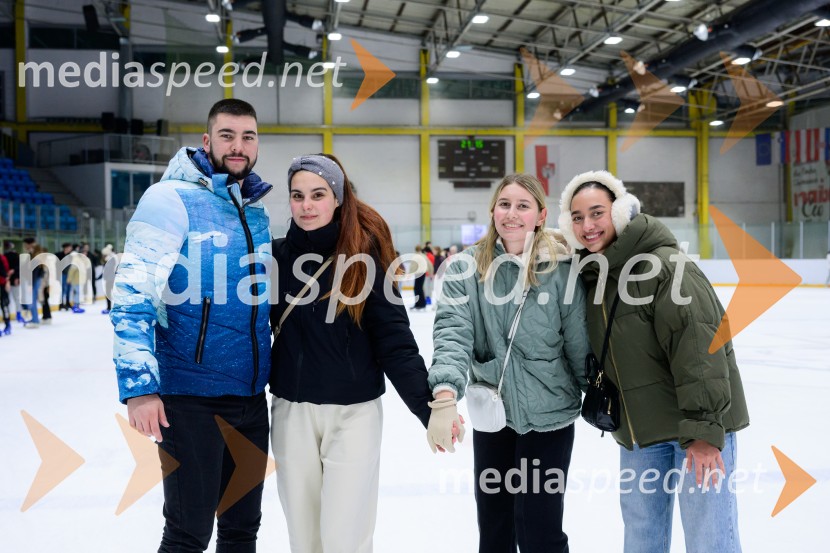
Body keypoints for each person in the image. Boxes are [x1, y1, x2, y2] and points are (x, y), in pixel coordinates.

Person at [111, 98, 273, 553]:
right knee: (188, 534)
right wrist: (140, 387)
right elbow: (132, 295)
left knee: (242, 531)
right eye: (227, 135)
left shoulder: (253, 209)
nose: (238, 146)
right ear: (207, 141)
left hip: (248, 397)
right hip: (190, 398)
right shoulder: (169, 199)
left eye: (248, 136)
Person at [558, 170, 750, 553]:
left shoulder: (664, 267)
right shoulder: (593, 274)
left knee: (708, 537)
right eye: (577, 217)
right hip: (640, 435)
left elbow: (699, 347)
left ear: (620, 212)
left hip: (696, 429)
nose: (588, 225)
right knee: (642, 536)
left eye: (597, 212)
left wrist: (703, 431)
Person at [269, 153, 435, 553]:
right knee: (304, 538)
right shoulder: (273, 258)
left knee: (345, 538)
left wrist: (428, 409)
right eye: (297, 195)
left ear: (338, 199)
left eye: (318, 194)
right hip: (292, 411)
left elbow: (395, 341)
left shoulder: (368, 260)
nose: (307, 205)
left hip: (354, 415)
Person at [428, 173, 590, 553]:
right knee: (495, 527)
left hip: (549, 417)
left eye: (522, 206)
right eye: (504, 204)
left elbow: (579, 342)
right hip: (494, 416)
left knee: (540, 531)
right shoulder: (465, 268)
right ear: (493, 211)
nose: (512, 213)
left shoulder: (562, 268)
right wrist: (445, 395)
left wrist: (602, 398)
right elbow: (452, 332)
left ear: (540, 215)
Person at [21, 237, 44, 328]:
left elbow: (35, 271)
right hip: (34, 279)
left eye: (25, 245)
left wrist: (31, 284)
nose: (24, 246)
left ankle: (35, 321)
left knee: (32, 300)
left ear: (29, 244)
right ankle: (34, 319)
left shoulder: (36, 254)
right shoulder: (33, 253)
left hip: (34, 279)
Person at [4, 240, 23, 324]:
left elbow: (19, 267)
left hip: (14, 279)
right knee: (6, 299)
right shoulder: (4, 256)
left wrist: (17, 277)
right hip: (6, 280)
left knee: (16, 298)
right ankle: (6, 314)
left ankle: (18, 314)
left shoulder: (16, 256)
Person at [410, 244, 431, 310]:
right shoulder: (424, 256)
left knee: (417, 289)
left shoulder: (415, 256)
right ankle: (422, 303)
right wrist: (430, 272)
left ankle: (419, 304)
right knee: (420, 288)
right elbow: (429, 264)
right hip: (423, 273)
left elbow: (413, 265)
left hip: (418, 274)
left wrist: (409, 273)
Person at [0, 250, 10, 335]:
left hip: (2, 284)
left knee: (4, 305)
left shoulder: (2, 258)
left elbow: (4, 271)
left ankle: (8, 325)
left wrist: (7, 281)